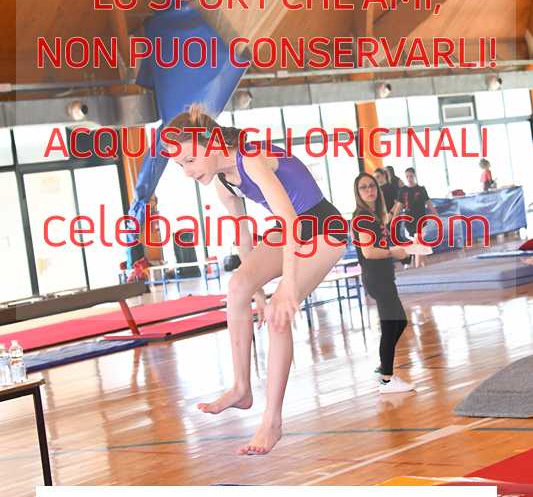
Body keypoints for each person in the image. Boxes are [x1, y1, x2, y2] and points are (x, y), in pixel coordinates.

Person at [166, 104, 348, 455]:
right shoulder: (222, 182)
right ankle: (241, 388)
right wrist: (259, 293)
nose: (187, 172)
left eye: (190, 160)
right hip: (291, 231)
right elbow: (244, 237)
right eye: (180, 166)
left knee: (280, 314)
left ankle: (272, 421)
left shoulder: (250, 159)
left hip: (323, 228)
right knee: (237, 285)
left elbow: (292, 220)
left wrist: (287, 286)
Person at [352, 172, 414, 393]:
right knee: (390, 326)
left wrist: (402, 252)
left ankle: (382, 367)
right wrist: (393, 252)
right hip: (376, 278)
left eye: (372, 186)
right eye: (363, 187)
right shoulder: (361, 217)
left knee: (400, 322)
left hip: (385, 276)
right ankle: (387, 379)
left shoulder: (375, 215)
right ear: (358, 193)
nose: (369, 190)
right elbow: (368, 252)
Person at [398, 168, 437, 267]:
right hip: (409, 222)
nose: (409, 179)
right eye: (407, 177)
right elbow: (399, 206)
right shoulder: (403, 190)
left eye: (411, 176)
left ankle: (418, 267)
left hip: (421, 221)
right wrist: (394, 217)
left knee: (418, 242)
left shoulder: (421, 189)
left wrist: (436, 215)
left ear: (415, 176)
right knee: (419, 244)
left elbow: (429, 203)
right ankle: (424, 264)